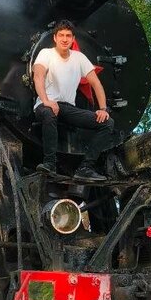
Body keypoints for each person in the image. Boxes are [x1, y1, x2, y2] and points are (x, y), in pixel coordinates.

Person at [33, 19, 116, 182]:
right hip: (46, 104)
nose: (64, 39)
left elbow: (96, 83)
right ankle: (49, 164)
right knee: (49, 113)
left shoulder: (79, 58)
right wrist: (46, 100)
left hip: (68, 108)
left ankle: (86, 168)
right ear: (55, 38)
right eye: (61, 35)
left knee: (108, 123)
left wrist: (103, 109)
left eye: (68, 36)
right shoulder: (46, 53)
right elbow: (38, 76)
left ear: (73, 39)